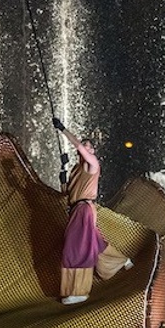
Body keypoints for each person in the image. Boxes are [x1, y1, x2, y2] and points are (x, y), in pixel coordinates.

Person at [54, 117, 132, 304]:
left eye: (88, 146)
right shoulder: (76, 170)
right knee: (92, 243)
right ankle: (120, 260)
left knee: (76, 249)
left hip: (85, 210)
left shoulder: (93, 165)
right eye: (85, 146)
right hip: (76, 211)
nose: (85, 148)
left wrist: (63, 129)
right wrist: (63, 176)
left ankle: (80, 291)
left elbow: (79, 148)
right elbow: (68, 195)